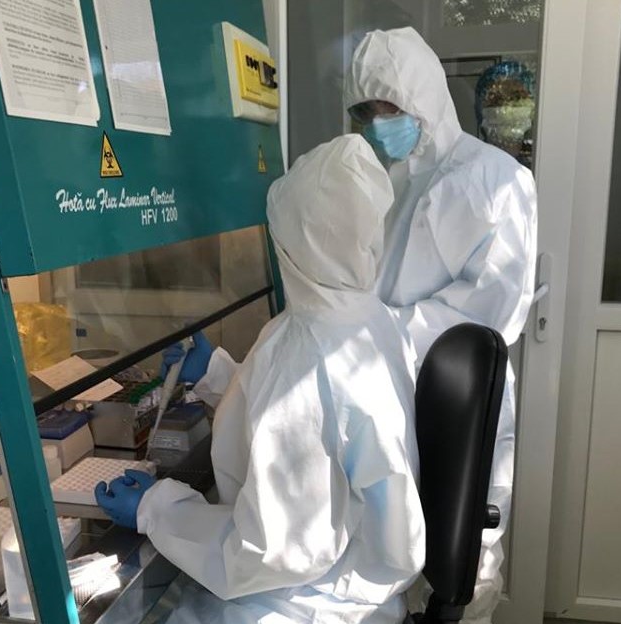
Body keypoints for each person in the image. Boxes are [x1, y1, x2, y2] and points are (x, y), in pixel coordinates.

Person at [95, 135, 426, 623]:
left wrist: (157, 509)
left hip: (307, 602)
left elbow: (275, 551)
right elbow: (313, 415)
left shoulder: (309, 353)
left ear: (294, 240)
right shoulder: (367, 317)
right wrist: (217, 376)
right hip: (352, 572)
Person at [344, 27, 537, 624]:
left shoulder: (497, 180)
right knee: (397, 546)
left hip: (461, 404)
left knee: (462, 570)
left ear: (424, 96)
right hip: (388, 394)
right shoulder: (388, 182)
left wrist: (376, 330)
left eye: (391, 107)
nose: (379, 123)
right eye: (367, 111)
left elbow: (487, 317)